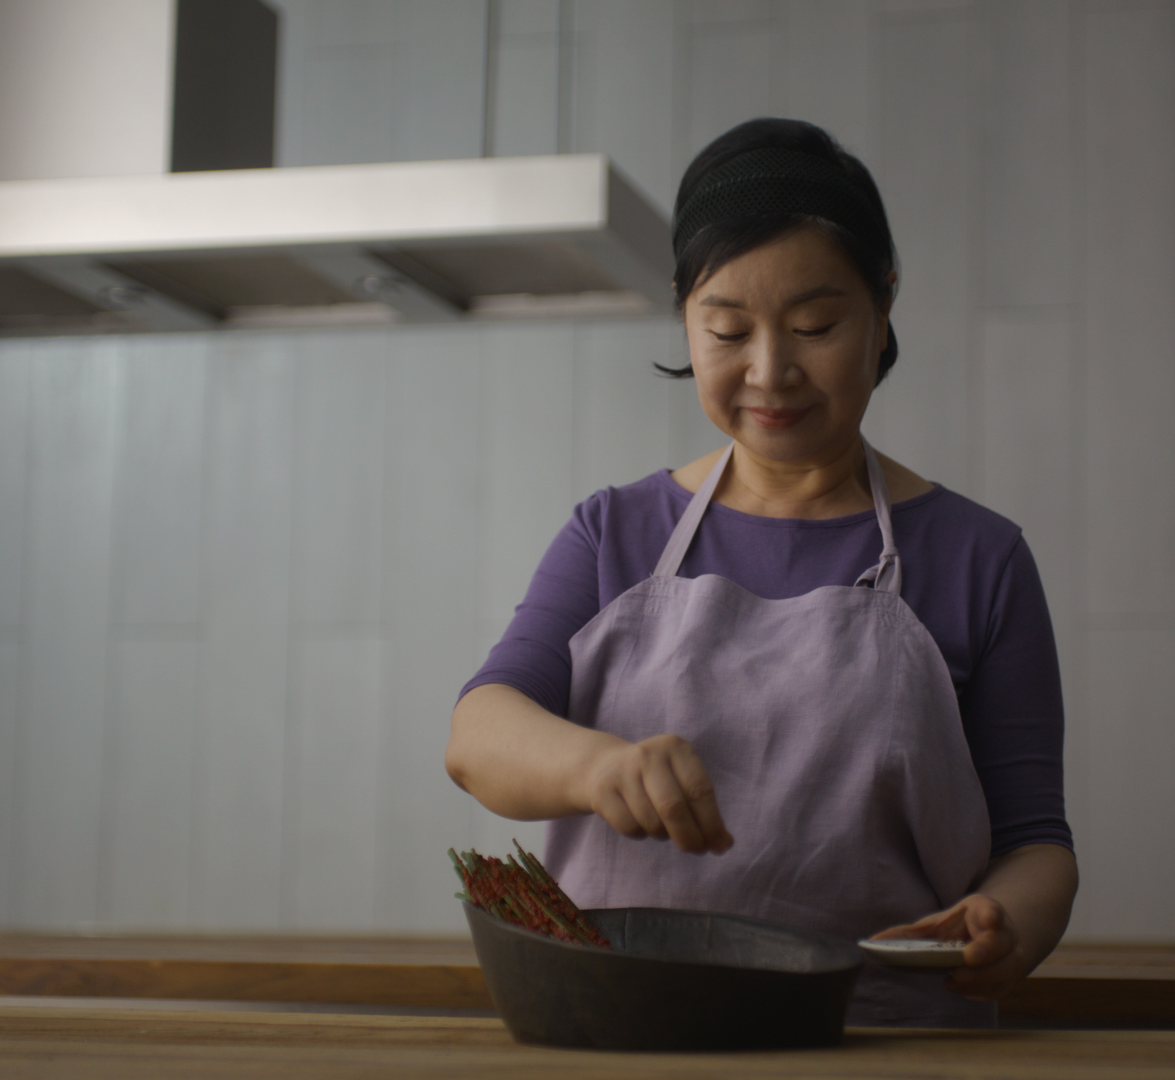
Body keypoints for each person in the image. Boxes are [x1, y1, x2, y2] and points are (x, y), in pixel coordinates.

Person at [446, 117, 1076, 1027]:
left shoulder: (979, 558)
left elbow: (1036, 845)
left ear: (883, 305)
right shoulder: (613, 533)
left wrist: (1008, 920)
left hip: (879, 1039)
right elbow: (478, 736)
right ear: (685, 315)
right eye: (728, 330)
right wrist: (595, 768)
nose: (771, 371)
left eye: (815, 326)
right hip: (625, 1034)